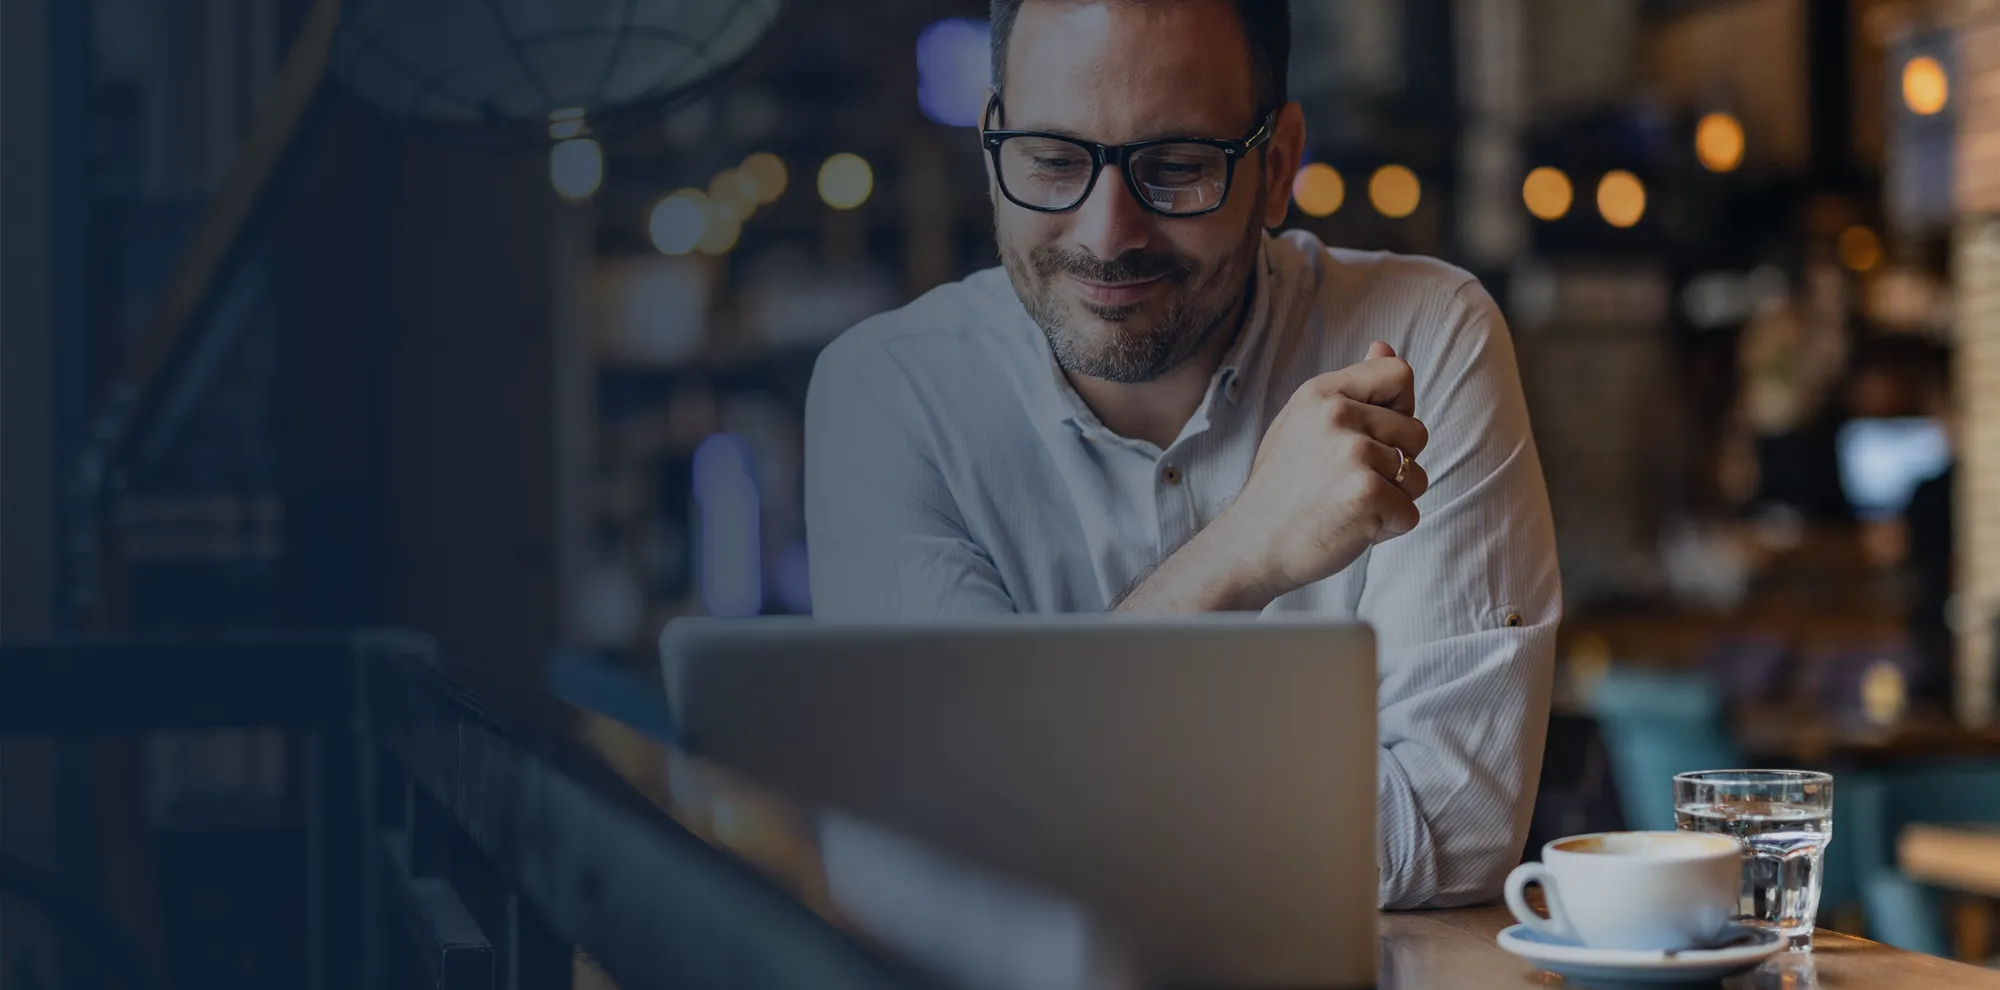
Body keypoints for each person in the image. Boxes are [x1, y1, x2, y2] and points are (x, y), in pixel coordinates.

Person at [803, 0, 1559, 910]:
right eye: (1051, 160)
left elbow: (1452, 832)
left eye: (1176, 167)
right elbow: (937, 841)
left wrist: (1037, 794)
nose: (1106, 233)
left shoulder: (1424, 334)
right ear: (993, 148)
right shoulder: (886, 393)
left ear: (1276, 167)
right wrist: (1238, 557)